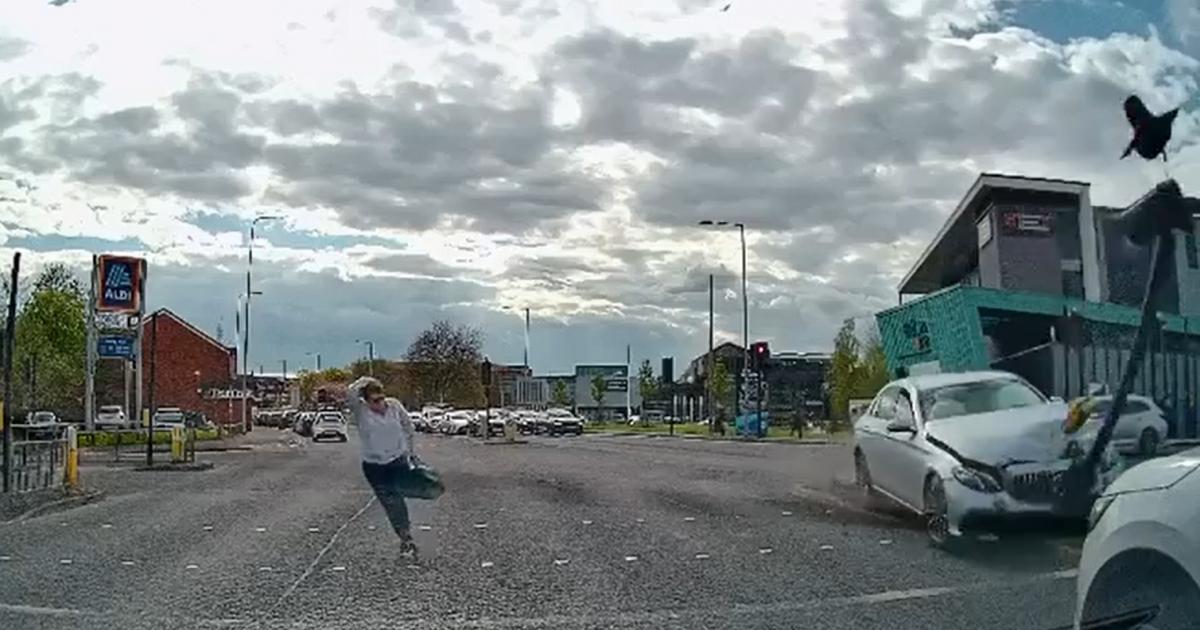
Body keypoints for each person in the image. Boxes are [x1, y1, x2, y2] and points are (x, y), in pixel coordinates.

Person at [348, 375, 420, 559]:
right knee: (390, 501)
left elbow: (408, 427)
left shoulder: (395, 406)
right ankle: (406, 537)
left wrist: (411, 453)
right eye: (374, 401)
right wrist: (364, 380)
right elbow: (351, 393)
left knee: (397, 498)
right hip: (374, 466)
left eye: (381, 398)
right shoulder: (360, 411)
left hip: (398, 459)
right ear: (366, 401)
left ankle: (405, 535)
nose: (380, 403)